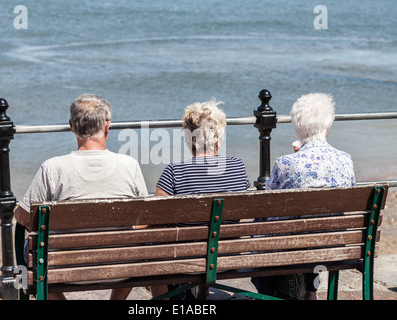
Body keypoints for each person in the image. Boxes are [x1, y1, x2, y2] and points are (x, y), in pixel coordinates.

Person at [14, 94, 148, 300]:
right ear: (107, 126)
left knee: (30, 248)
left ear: (72, 126)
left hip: (64, 268)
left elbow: (24, 218)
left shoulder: (52, 168)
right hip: (121, 267)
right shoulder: (129, 165)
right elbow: (144, 221)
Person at [252, 93, 356, 300]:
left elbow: (268, 207)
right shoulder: (346, 160)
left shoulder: (285, 163)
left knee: (260, 235)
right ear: (327, 127)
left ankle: (270, 295)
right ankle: (312, 291)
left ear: (296, 128)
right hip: (333, 244)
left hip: (294, 247)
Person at [153, 99, 251, 299]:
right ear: (218, 141)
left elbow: (156, 219)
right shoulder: (237, 167)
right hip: (228, 256)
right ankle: (202, 292)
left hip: (186, 259)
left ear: (189, 140)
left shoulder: (174, 172)